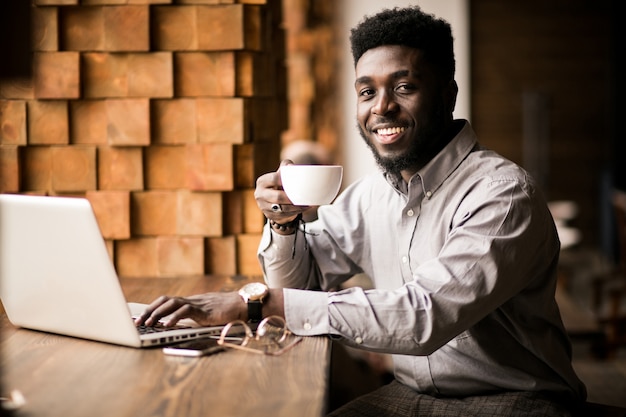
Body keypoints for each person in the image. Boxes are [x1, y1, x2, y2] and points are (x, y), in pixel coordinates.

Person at [135, 6, 587, 416]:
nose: (381, 107)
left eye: (404, 87)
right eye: (366, 91)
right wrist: (285, 222)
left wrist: (253, 306)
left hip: (515, 403)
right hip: (410, 395)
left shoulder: (503, 195)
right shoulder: (373, 193)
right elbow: (298, 284)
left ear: (448, 94)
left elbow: (421, 318)